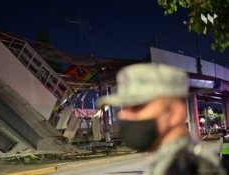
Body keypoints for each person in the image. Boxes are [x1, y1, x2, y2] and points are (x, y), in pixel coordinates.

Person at [97, 63, 226, 175]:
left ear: (174, 112)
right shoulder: (171, 162)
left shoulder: (186, 167)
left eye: (137, 106)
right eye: (124, 107)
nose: (122, 115)